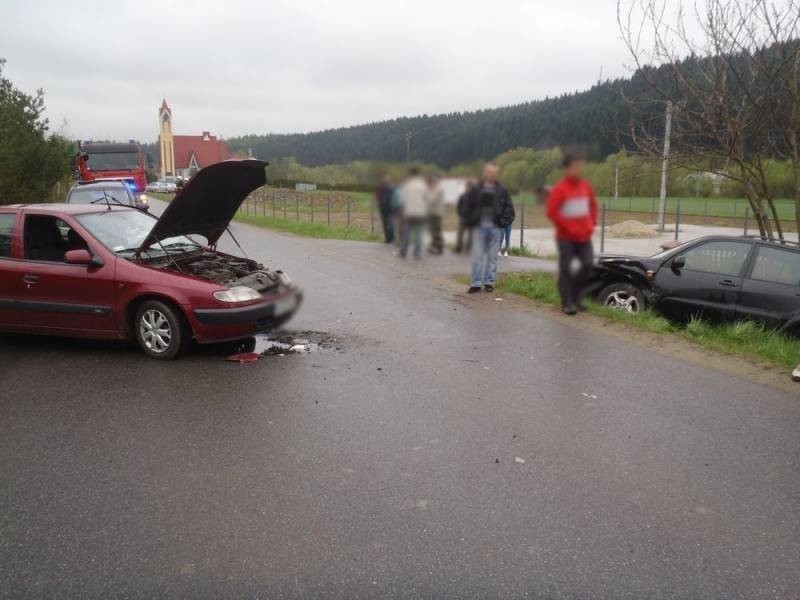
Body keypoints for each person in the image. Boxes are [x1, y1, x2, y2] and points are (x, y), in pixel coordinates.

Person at [546, 153, 598, 315]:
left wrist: (591, 224)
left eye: (579, 166)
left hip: (584, 236)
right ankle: (567, 302)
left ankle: (576, 296)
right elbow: (552, 212)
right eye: (575, 167)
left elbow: (593, 207)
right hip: (565, 237)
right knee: (566, 270)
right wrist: (567, 227)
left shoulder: (585, 186)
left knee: (588, 265)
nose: (578, 170)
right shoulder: (559, 188)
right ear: (567, 168)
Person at [463, 162, 515, 293]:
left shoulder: (502, 190)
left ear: (497, 174)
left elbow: (509, 209)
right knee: (478, 256)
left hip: (495, 228)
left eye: (494, 172)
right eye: (489, 172)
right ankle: (475, 283)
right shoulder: (476, 189)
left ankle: (489, 282)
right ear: (485, 172)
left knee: (493, 257)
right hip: (479, 228)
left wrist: (501, 222)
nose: (491, 174)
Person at [398, 168, 429, 259]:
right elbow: (427, 200)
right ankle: (417, 254)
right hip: (420, 213)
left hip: (409, 213)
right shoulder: (423, 186)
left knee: (406, 233)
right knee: (419, 234)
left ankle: (403, 252)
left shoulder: (407, 185)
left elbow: (402, 200)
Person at [454, 181, 475, 254]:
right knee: (460, 233)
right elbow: (458, 206)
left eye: (469, 187)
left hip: (471, 219)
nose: (468, 188)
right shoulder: (462, 196)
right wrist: (460, 214)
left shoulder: (475, 197)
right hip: (463, 218)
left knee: (471, 235)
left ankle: (468, 249)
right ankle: (458, 248)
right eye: (467, 186)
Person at [427, 175, 445, 255]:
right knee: (433, 230)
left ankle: (439, 247)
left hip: (436, 213)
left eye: (431, 182)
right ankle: (434, 246)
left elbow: (431, 200)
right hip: (435, 213)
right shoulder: (436, 188)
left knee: (436, 231)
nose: (430, 184)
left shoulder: (437, 189)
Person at [375, 176, 395, 243]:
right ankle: (391, 239)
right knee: (390, 224)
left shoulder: (380, 189)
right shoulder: (391, 188)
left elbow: (377, 198)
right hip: (390, 208)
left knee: (386, 224)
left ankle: (388, 239)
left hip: (383, 208)